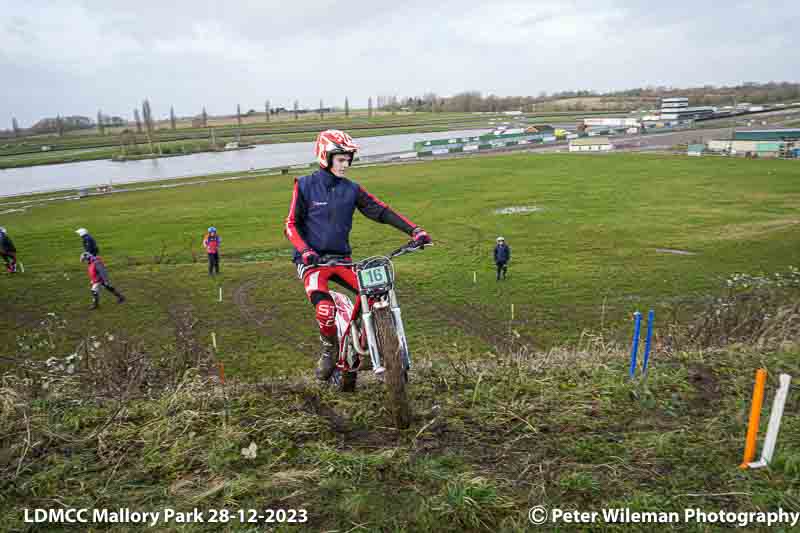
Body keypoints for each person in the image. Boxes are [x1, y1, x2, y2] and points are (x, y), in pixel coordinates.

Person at [284, 129, 432, 380]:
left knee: (376, 295)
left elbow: (380, 211)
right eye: (341, 160)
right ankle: (329, 350)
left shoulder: (352, 189)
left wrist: (414, 230)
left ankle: (368, 347)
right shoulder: (305, 185)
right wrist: (306, 251)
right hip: (312, 263)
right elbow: (290, 224)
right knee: (324, 310)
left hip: (342, 259)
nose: (346, 165)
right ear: (325, 157)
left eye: (348, 160)